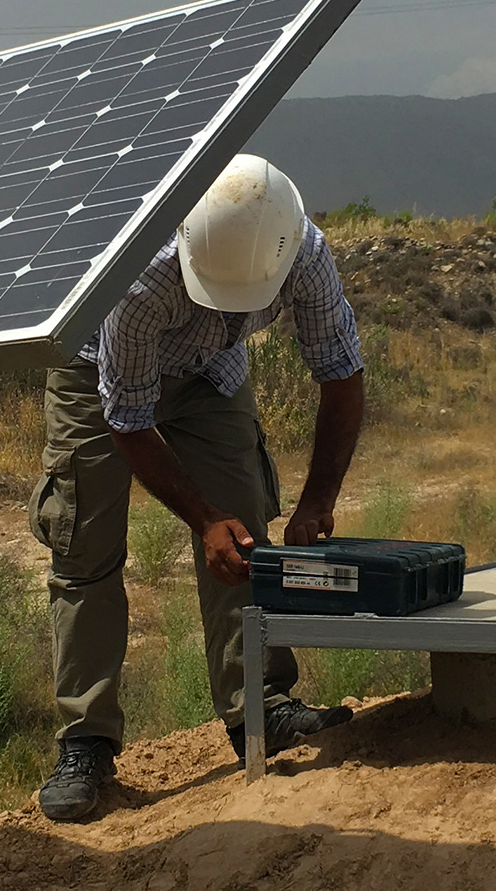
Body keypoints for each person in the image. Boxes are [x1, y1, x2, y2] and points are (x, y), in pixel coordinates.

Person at [29, 153, 366, 821]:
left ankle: (260, 706)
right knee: (85, 549)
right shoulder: (140, 277)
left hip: (212, 373)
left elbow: (341, 373)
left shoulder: (303, 252)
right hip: (97, 374)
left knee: (244, 538)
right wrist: (200, 516)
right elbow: (126, 419)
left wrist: (318, 500)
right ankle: (86, 741)